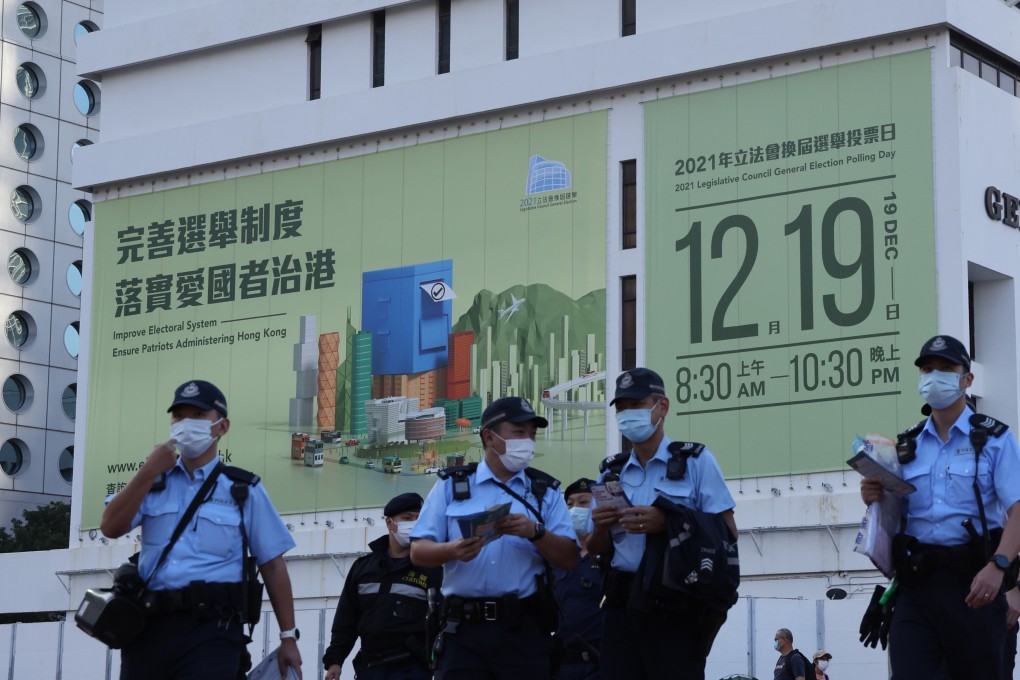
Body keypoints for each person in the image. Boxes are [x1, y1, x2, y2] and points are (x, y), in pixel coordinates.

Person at [100, 380, 302, 680]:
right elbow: (110, 527)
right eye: (178, 416)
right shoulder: (153, 482)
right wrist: (148, 470)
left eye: (197, 416)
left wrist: (288, 637)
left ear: (222, 426)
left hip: (213, 630)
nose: (185, 424)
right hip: (148, 627)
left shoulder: (242, 489)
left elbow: (272, 566)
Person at [860, 335, 1020, 679]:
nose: (936, 376)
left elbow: (1018, 510)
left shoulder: (994, 439)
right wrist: (873, 495)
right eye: (928, 369)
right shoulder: (905, 445)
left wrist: (1000, 565)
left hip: (975, 584)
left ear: (967, 379)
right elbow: (892, 516)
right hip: (917, 587)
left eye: (947, 368)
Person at [410, 396, 579, 679]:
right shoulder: (452, 486)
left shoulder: (544, 492)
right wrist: (453, 550)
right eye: (519, 433)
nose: (528, 442)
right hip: (462, 633)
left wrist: (535, 532)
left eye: (532, 435)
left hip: (522, 632)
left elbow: (570, 558)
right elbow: (418, 551)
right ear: (490, 436)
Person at [587, 367, 737, 680]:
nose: (628, 414)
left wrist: (668, 522)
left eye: (637, 405)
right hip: (621, 604)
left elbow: (727, 533)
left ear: (662, 407)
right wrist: (600, 528)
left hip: (676, 605)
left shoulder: (696, 461)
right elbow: (596, 549)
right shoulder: (610, 475)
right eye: (621, 407)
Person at [323, 492, 442, 680]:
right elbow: (346, 620)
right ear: (389, 523)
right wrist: (335, 660)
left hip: (412, 669)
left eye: (419, 518)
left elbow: (442, 622)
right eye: (407, 518)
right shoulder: (363, 568)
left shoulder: (432, 569)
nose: (414, 523)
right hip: (370, 668)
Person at [552, 478, 603, 680]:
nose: (575, 509)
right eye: (570, 504)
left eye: (583, 503)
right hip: (558, 664)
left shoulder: (612, 555)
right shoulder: (556, 555)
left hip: (597, 664)